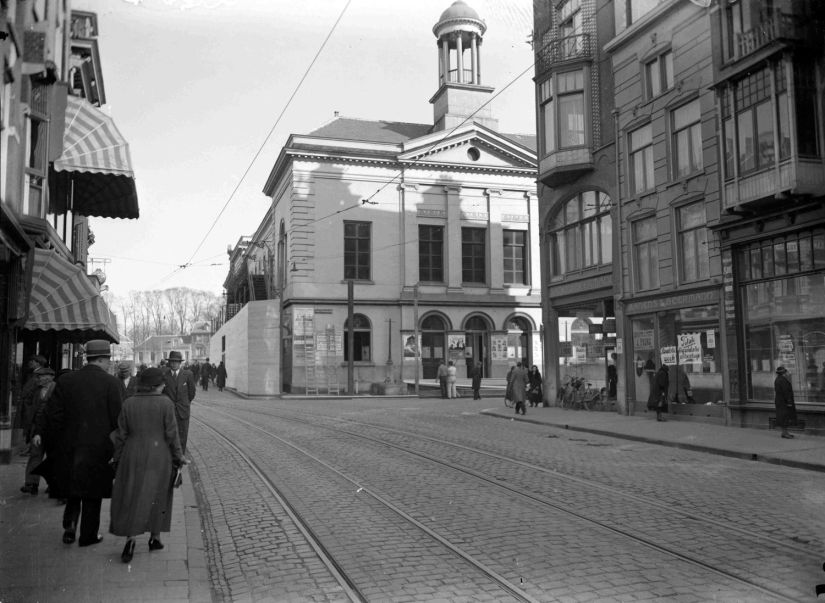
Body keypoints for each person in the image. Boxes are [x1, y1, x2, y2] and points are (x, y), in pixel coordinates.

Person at [43, 340, 122, 547]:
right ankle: (88, 536)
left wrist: (57, 443)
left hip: (69, 446)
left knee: (73, 487)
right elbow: (118, 421)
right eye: (108, 361)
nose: (108, 365)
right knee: (92, 493)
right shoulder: (112, 383)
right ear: (103, 359)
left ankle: (69, 524)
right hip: (98, 450)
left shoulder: (67, 381)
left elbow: (53, 416)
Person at [110, 367, 185, 563]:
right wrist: (179, 457)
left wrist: (117, 458)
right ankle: (155, 538)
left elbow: (121, 435)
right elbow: (172, 435)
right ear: (156, 385)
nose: (164, 386)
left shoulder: (129, 403)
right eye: (162, 383)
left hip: (132, 454)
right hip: (159, 455)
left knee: (132, 495)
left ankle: (130, 540)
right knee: (158, 495)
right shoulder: (165, 403)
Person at [20, 367, 56, 495]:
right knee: (35, 455)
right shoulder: (36, 391)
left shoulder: (57, 389)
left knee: (52, 457)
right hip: (37, 428)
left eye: (40, 377)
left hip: (52, 429)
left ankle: (53, 484)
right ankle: (31, 483)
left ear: (49, 377)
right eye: (37, 377)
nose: (37, 379)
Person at [162, 351, 196, 453]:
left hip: (183, 412)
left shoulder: (188, 374)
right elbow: (162, 393)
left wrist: (184, 403)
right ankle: (170, 461)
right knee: (169, 436)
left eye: (176, 362)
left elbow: (192, 393)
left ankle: (180, 461)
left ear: (180, 363)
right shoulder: (164, 375)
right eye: (172, 361)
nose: (174, 364)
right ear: (169, 362)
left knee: (182, 436)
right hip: (169, 412)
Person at [774, 366, 797, 439]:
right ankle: (785, 433)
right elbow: (786, 392)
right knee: (785, 417)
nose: (787, 373)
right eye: (786, 372)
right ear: (783, 373)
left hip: (780, 401)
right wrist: (789, 401)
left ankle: (784, 433)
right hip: (784, 402)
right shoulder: (783, 380)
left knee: (783, 417)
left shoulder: (778, 379)